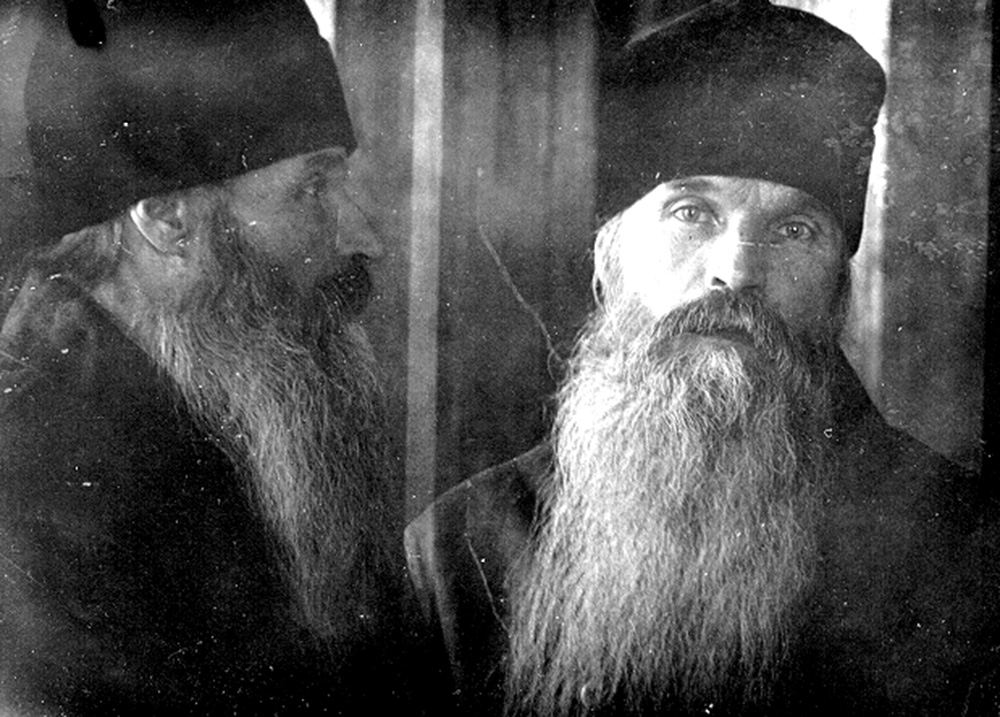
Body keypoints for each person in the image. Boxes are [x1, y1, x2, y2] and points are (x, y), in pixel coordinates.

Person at [404, 1, 1000, 715]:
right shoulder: (460, 551)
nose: (738, 271)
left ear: (838, 287)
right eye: (692, 214)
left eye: (795, 229)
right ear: (610, 258)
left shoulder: (963, 545)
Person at [0, 0, 418, 714]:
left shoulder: (227, 396)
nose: (364, 236)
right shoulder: (29, 473)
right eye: (312, 187)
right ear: (168, 219)